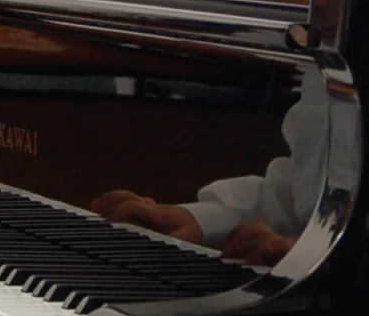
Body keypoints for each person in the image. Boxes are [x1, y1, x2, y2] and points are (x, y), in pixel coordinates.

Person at [91, 68, 328, 266]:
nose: (316, 9)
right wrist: (199, 221)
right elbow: (302, 199)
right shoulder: (329, 61)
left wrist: (325, 255)